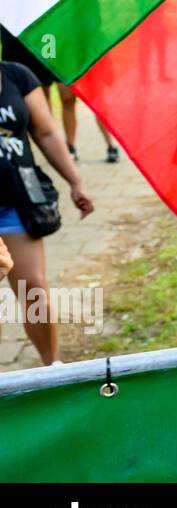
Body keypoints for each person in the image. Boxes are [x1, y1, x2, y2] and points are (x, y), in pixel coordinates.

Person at [0, 58, 94, 365]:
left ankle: (51, 368)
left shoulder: (15, 75)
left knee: (33, 289)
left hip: (17, 199)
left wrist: (75, 181)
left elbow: (46, 132)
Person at [0, 26, 118, 163]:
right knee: (66, 100)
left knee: (98, 100)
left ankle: (111, 144)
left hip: (86, 45)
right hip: (60, 50)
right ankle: (70, 147)